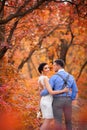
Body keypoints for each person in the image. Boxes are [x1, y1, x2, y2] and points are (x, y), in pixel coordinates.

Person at [41, 59, 78, 130]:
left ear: (58, 66)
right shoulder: (71, 77)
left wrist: (41, 93)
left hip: (57, 101)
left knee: (58, 122)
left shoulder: (54, 77)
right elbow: (75, 90)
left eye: (54, 65)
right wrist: (71, 98)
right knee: (68, 121)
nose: (53, 67)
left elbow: (48, 91)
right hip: (68, 100)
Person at [38, 62, 69, 130]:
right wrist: (63, 90)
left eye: (48, 67)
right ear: (41, 70)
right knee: (48, 120)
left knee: (48, 120)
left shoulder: (40, 78)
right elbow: (51, 92)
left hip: (43, 101)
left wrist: (39, 107)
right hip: (47, 101)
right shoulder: (45, 78)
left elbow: (40, 93)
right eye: (45, 68)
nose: (48, 69)